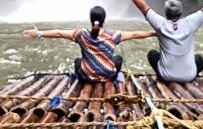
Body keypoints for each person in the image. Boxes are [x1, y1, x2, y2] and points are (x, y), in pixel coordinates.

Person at [21, 5, 156, 82]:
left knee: (78, 61)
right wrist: (154, 33)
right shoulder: (113, 35)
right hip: (108, 75)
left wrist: (39, 33)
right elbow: (135, 34)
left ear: (91, 19)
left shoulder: (81, 34)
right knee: (118, 59)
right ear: (104, 20)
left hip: (87, 77)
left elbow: (59, 33)